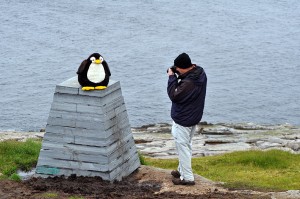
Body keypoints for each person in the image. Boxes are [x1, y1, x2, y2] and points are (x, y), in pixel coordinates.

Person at [167, 53, 207, 185]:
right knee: (186, 144)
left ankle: (188, 178)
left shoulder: (189, 83)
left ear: (183, 68)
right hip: (193, 117)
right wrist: (179, 75)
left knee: (182, 146)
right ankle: (182, 170)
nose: (176, 70)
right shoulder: (200, 73)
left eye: (177, 68)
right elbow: (187, 85)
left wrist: (172, 77)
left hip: (183, 119)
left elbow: (174, 95)